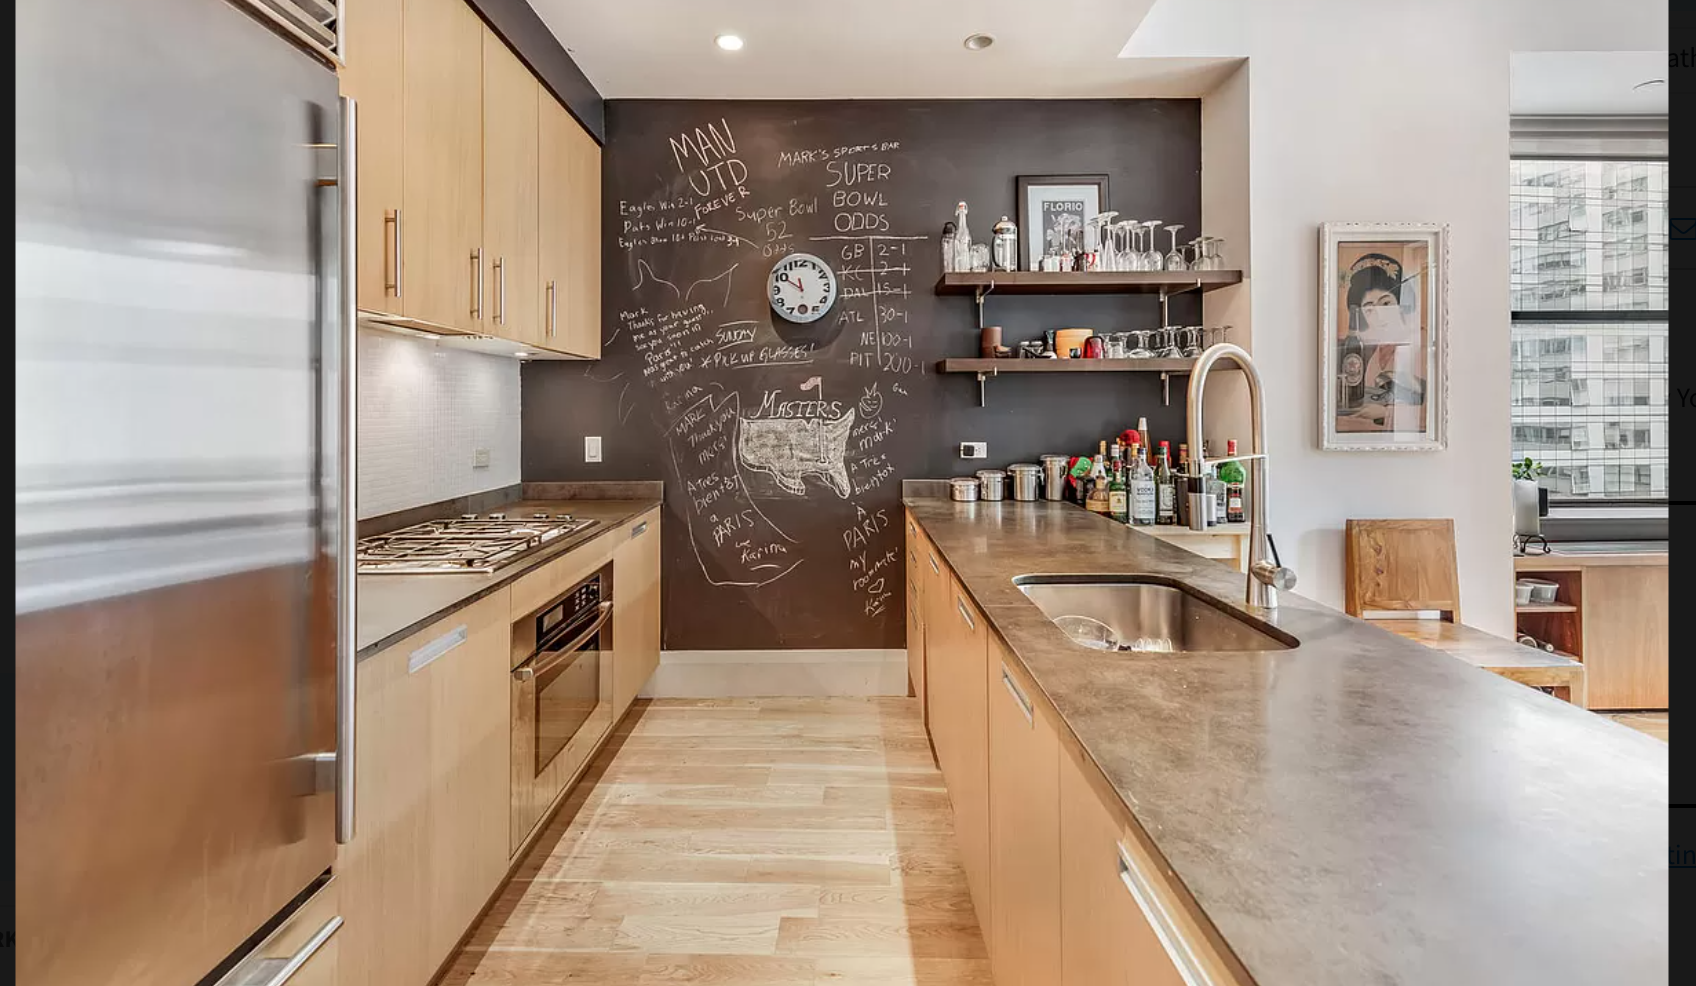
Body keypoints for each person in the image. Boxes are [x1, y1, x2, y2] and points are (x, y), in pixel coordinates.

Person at [1336, 252, 1426, 432]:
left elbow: (1434, 415)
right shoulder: (1377, 351)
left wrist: (1384, 414)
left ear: (1401, 302)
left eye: (1386, 304)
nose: (1379, 316)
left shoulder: (1424, 346)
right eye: (1369, 309)